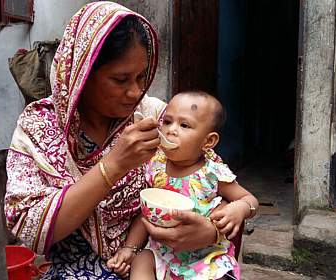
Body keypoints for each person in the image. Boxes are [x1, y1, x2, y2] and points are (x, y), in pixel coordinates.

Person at [4, 2, 234, 279]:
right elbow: (30, 229)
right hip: (75, 270)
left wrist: (211, 231)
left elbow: (213, 183)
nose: (135, 91)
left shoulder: (155, 118)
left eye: (141, 77)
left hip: (158, 261)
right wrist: (113, 166)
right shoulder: (39, 127)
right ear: (82, 75)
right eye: (121, 79)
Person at [107, 91, 259, 280]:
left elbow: (250, 199)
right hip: (164, 254)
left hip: (205, 258)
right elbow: (145, 214)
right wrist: (130, 248)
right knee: (142, 260)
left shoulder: (212, 174)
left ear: (208, 141)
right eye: (167, 121)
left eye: (184, 125)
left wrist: (240, 208)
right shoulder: (155, 167)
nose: (171, 130)